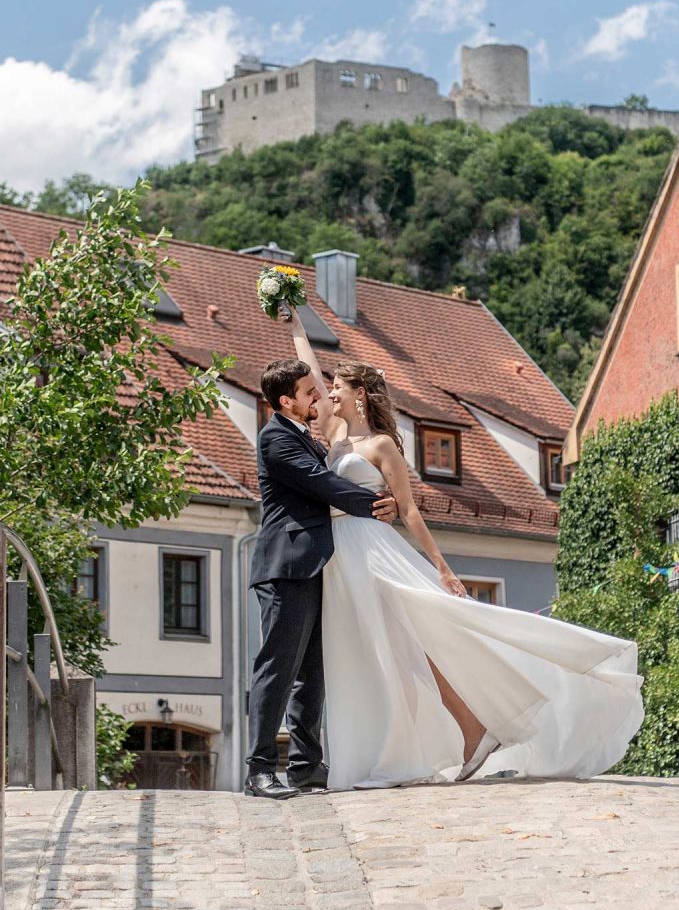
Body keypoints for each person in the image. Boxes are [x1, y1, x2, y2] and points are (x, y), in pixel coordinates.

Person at [285, 308, 645, 790]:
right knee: (372, 654)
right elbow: (308, 367)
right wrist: (293, 323)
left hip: (373, 551)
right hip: (340, 558)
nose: (328, 392)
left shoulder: (382, 446)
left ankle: (473, 730)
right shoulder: (332, 433)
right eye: (328, 389)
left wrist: (443, 568)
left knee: (419, 642)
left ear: (360, 394)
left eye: (338, 388)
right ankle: (404, 748)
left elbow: (410, 512)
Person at [245, 357, 399, 800]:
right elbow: (323, 485)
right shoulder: (276, 439)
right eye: (310, 392)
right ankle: (259, 769)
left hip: (314, 565)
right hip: (286, 567)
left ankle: (306, 765)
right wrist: (379, 504)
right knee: (277, 668)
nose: (319, 398)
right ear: (286, 401)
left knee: (311, 671)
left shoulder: (302, 433)